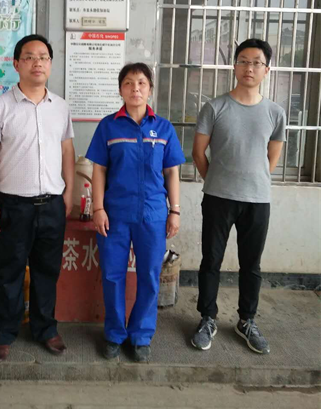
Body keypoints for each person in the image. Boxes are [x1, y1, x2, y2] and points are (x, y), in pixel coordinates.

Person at [0, 34, 75, 363]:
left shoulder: (60, 107)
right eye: (30, 57)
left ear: (50, 64)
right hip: (12, 205)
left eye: (43, 57)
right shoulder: (0, 106)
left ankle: (45, 329)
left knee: (48, 271)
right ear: (16, 64)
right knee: (10, 272)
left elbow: (67, 152)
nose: (37, 63)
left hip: (52, 204)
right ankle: (3, 333)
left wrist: (69, 193)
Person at [191, 38, 286, 354]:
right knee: (211, 260)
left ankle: (247, 320)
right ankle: (207, 318)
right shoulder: (214, 107)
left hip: (257, 200)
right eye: (243, 61)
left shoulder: (275, 112)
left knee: (251, 264)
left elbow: (271, 159)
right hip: (218, 197)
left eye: (257, 62)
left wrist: (252, 180)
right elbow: (198, 153)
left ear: (266, 70)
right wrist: (217, 181)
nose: (249, 67)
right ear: (234, 66)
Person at [86, 63, 185, 362]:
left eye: (141, 83)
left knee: (149, 276)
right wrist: (98, 207)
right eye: (128, 83)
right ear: (121, 89)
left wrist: (175, 211)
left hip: (153, 215)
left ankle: (141, 335)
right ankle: (115, 334)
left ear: (150, 89)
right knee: (113, 275)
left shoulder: (164, 128)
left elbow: (172, 172)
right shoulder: (108, 127)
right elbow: (99, 170)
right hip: (115, 214)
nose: (135, 88)